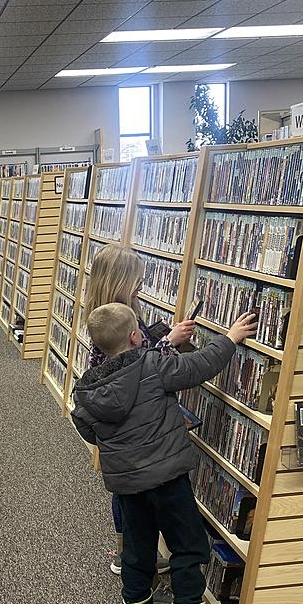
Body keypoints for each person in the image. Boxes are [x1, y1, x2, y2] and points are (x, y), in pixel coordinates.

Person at [71, 302, 257, 604]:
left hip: (128, 486)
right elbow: (198, 366)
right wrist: (230, 339)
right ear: (136, 335)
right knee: (188, 547)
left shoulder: (87, 388)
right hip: (168, 480)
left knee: (137, 553)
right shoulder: (153, 365)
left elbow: (86, 427)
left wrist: (117, 445)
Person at [86, 245, 195, 581]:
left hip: (120, 427)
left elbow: (136, 350)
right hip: (130, 424)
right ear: (120, 281)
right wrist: (169, 342)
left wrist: (157, 334)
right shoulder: (115, 315)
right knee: (128, 492)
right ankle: (127, 554)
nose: (142, 286)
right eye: (137, 281)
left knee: (126, 489)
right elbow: (132, 367)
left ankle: (128, 551)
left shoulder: (111, 313)